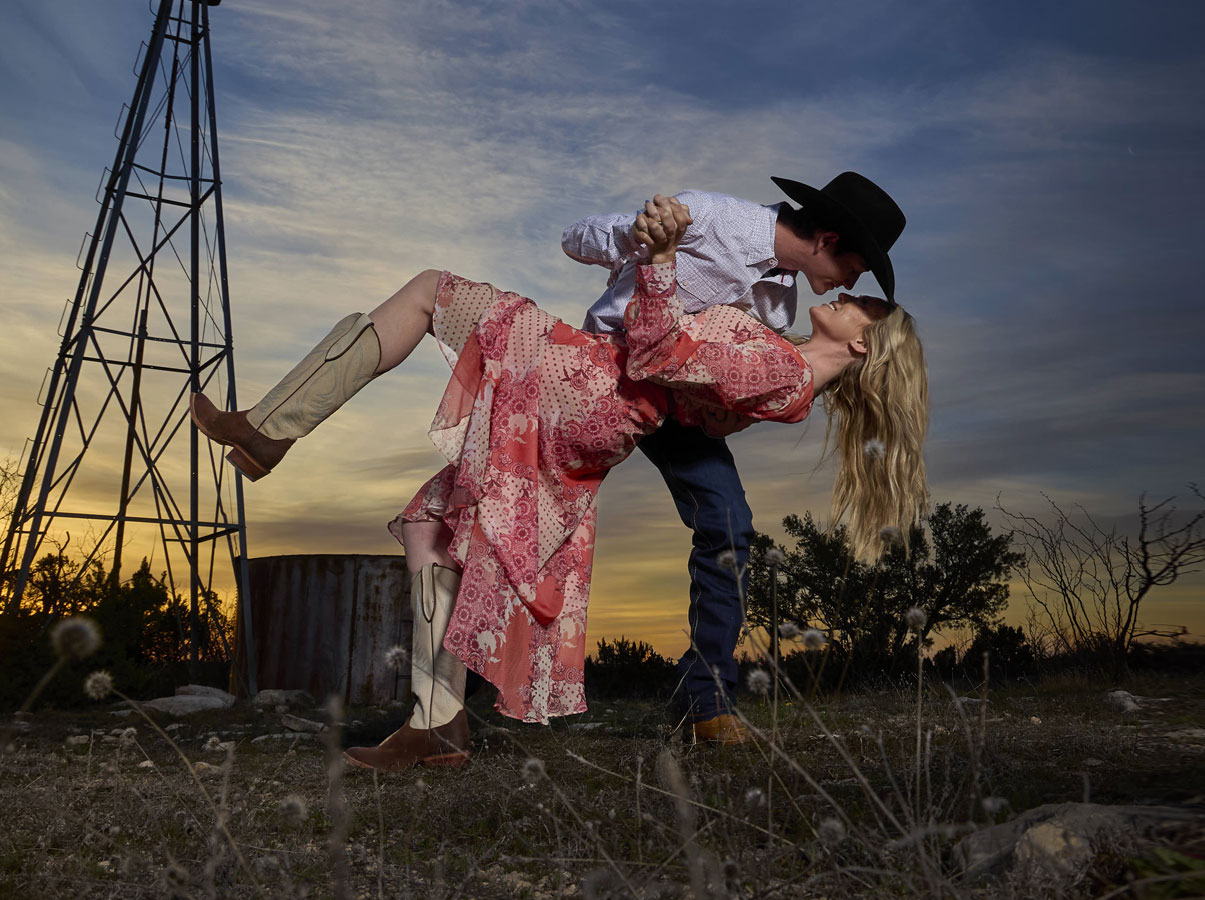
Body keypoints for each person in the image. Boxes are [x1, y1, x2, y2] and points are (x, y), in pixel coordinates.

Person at [188, 196, 928, 771]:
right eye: (857, 282)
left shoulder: (780, 366)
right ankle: (436, 721)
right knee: (429, 526)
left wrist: (664, 259)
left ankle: (269, 432)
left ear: (862, 343)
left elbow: (659, 351)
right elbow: (693, 390)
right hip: (596, 401)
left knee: (428, 292)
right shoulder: (785, 361)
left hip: (588, 384)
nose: (847, 294)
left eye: (862, 302)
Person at [558, 173, 904, 746]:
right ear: (828, 240)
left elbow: (726, 383)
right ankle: (459, 687)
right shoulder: (708, 216)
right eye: (858, 267)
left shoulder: (778, 303)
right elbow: (576, 239)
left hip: (673, 404)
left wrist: (740, 411)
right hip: (611, 374)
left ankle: (705, 704)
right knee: (541, 520)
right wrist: (641, 236)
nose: (851, 281)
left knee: (728, 527)